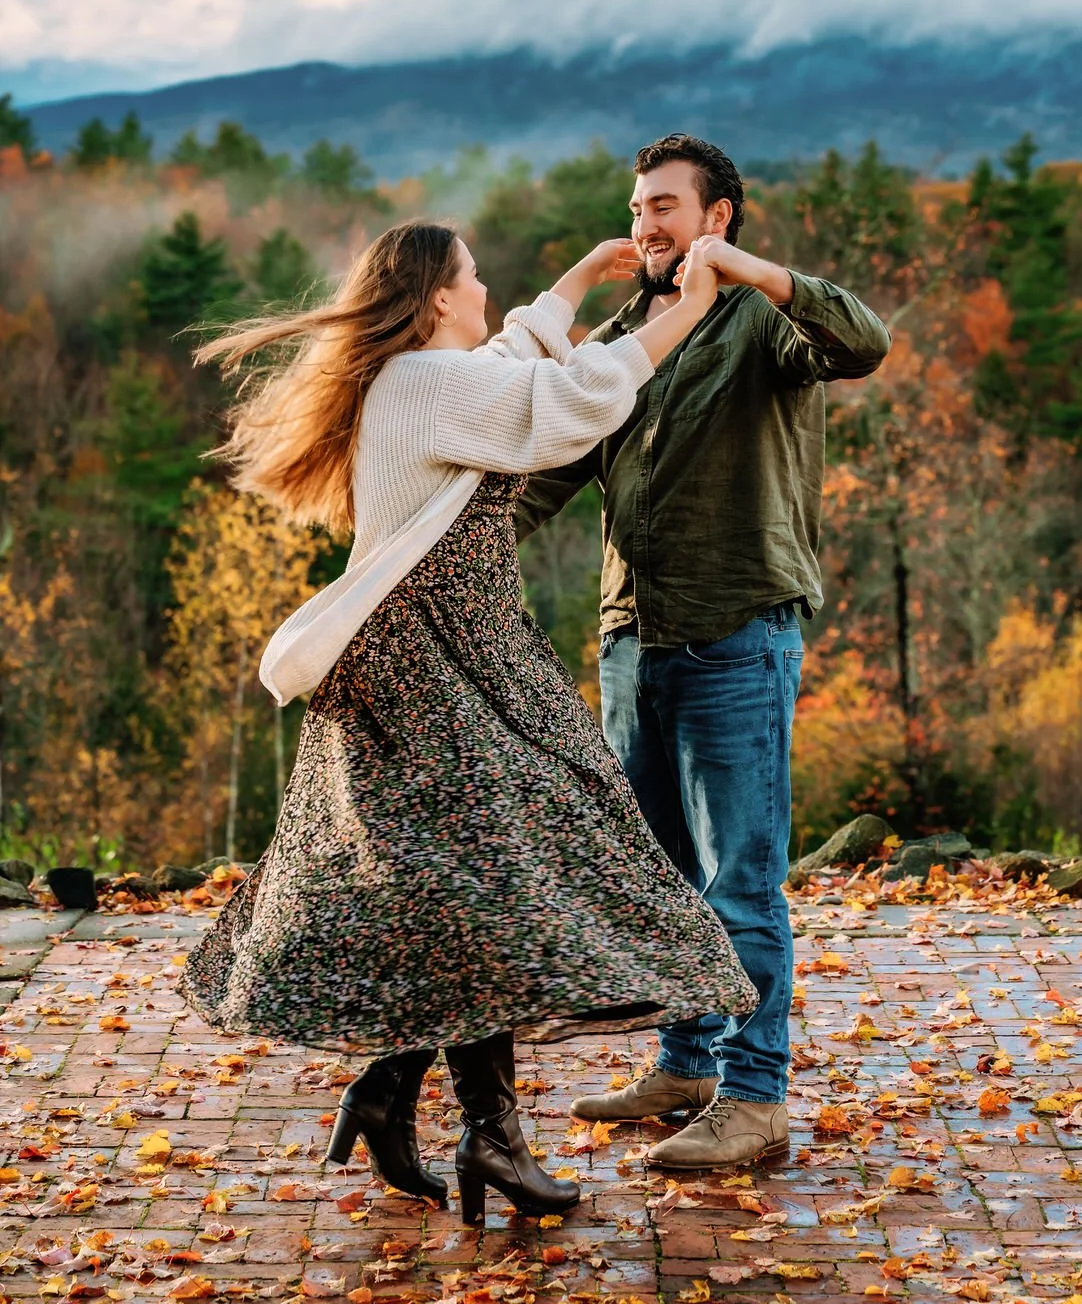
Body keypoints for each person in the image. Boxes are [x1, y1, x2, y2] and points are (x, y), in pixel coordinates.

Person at [178, 219, 757, 1224]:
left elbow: (507, 363)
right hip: (428, 655)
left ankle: (403, 1095)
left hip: (454, 649)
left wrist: (574, 279)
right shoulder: (422, 386)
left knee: (462, 887)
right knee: (488, 881)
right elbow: (573, 398)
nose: (487, 288)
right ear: (438, 296)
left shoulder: (423, 378)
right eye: (475, 277)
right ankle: (487, 1134)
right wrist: (690, 309)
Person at [516, 134, 892, 1169]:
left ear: (717, 217)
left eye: (666, 207)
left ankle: (757, 1098)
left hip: (738, 633)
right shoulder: (625, 333)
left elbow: (866, 342)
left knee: (742, 882)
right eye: (639, 208)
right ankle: (685, 1064)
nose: (646, 224)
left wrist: (756, 278)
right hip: (633, 641)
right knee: (664, 876)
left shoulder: (763, 323)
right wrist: (439, 545)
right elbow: (555, 468)